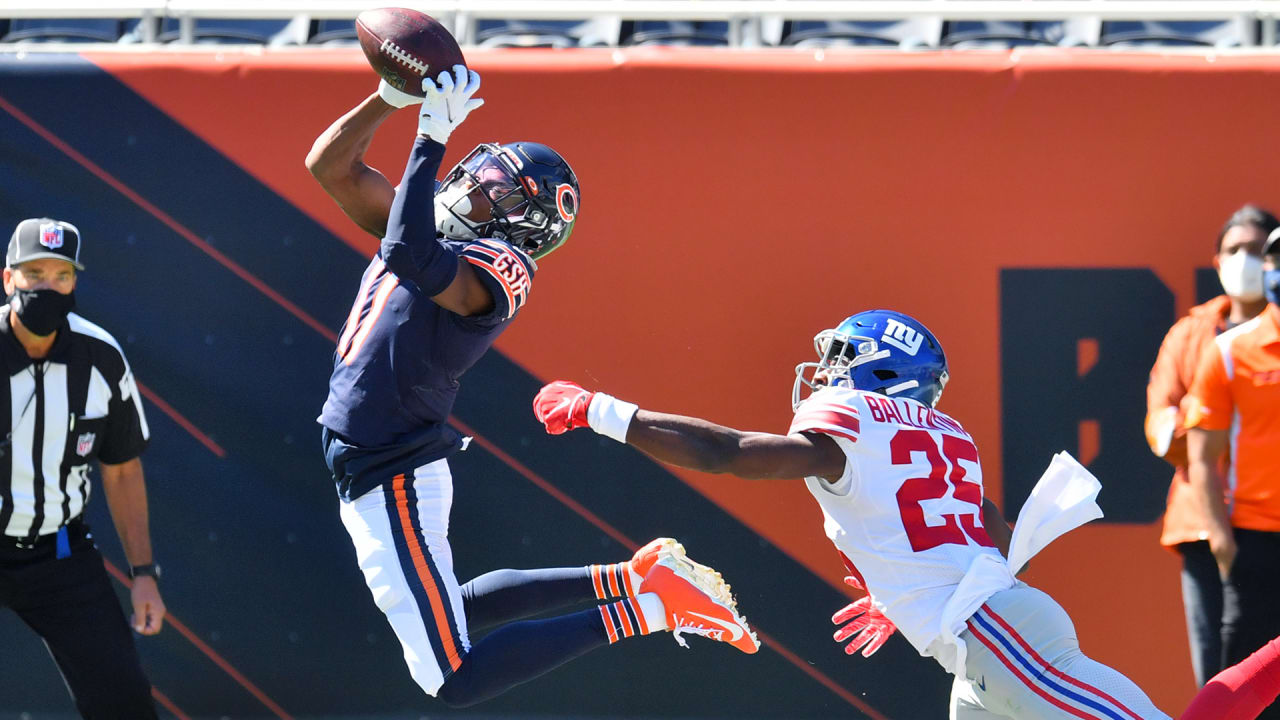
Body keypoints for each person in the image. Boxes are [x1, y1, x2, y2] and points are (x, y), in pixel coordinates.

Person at [534, 308, 1280, 719]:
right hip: (981, 637)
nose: (824, 373)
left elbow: (732, 453)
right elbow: (973, 526)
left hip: (993, 632)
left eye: (841, 357)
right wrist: (907, 592)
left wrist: (607, 412)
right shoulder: (946, 432)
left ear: (878, 367)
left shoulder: (850, 414)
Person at [305, 68, 758, 708]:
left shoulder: (503, 266)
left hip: (393, 467)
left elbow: (411, 253)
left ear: (529, 225)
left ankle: (656, 609)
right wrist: (389, 99)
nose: (471, 189)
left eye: (497, 192)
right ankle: (635, 578)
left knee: (449, 675)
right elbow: (330, 167)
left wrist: (427, 140)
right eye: (477, 174)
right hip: (373, 455)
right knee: (450, 608)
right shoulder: (430, 226)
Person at [0, 217, 163, 719]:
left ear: (75, 281)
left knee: (124, 702)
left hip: (58, 552)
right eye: (34, 273)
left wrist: (142, 574)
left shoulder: (101, 357)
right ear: (8, 279)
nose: (47, 286)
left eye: (61, 275)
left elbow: (120, 467)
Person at [1145, 204, 1277, 688]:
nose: (1247, 259)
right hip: (1206, 527)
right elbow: (1161, 426)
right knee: (1222, 679)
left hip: (1272, 522)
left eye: (1259, 250)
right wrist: (1224, 432)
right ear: (1217, 261)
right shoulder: (1190, 336)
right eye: (1235, 249)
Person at [1183, 224, 1280, 719]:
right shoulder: (1229, 350)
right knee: (1243, 695)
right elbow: (1200, 454)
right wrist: (1224, 544)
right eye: (1276, 258)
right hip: (1257, 541)